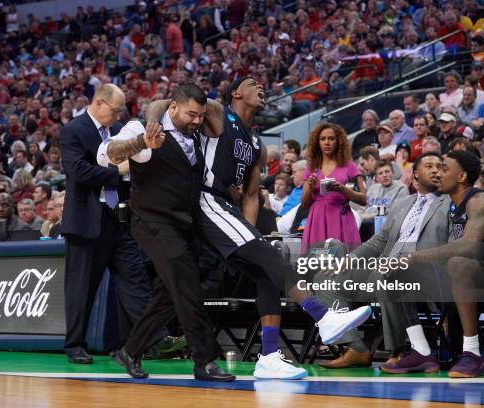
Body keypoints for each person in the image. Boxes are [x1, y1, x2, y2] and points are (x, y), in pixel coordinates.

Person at [146, 79, 371, 380]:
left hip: (228, 209)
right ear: (237, 93)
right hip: (204, 199)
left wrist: (249, 236)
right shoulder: (216, 112)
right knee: (267, 256)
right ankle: (323, 316)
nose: (261, 87)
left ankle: (267, 357)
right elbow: (162, 104)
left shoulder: (257, 145)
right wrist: (152, 126)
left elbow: (251, 195)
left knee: (266, 270)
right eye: (252, 83)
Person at [100, 84, 235, 381]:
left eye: (200, 116)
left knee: (169, 292)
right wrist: (142, 142)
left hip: (183, 223)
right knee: (187, 285)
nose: (197, 121)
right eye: (191, 114)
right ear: (173, 107)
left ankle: (130, 350)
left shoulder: (197, 132)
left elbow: (217, 112)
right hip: (150, 220)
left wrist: (187, 109)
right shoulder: (141, 127)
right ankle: (205, 360)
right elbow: (108, 153)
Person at [59, 83, 168, 365]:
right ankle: (75, 345)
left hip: (119, 218)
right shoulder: (74, 129)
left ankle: (153, 338)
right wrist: (116, 172)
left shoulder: (120, 132)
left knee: (134, 278)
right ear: (98, 103)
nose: (119, 115)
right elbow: (76, 170)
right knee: (82, 286)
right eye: (115, 109)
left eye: (122, 111)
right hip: (86, 219)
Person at [314, 153, 451, 370]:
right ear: (415, 174)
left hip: (426, 274)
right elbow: (380, 241)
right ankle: (356, 348)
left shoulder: (450, 202)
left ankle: (398, 350)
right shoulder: (402, 204)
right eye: (429, 166)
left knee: (385, 273)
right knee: (325, 278)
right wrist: (348, 260)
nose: (436, 170)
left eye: (440, 167)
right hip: (386, 268)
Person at [409, 150, 484, 377]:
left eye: (444, 168)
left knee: (459, 262)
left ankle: (472, 353)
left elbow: (468, 245)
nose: (437, 172)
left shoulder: (479, 201)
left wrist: (418, 256)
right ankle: (417, 350)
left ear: (462, 177)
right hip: (482, 277)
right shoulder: (452, 205)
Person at [301, 122, 367, 253]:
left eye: (331, 139)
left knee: (343, 265)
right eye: (322, 139)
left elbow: (363, 199)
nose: (327, 142)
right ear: (317, 142)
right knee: (316, 265)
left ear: (339, 141)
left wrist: (342, 189)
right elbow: (304, 204)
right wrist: (309, 185)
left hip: (341, 218)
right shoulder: (311, 167)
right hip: (317, 219)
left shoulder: (350, 166)